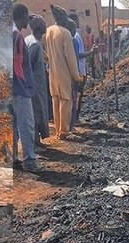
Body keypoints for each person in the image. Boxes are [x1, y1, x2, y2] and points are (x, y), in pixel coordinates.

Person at [45, 5, 83, 141]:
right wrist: (76, 76)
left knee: (55, 98)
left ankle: (57, 129)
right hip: (64, 72)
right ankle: (64, 131)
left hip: (52, 72)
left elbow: (46, 53)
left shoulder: (48, 31)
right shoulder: (65, 33)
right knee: (66, 100)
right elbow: (70, 58)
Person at [12, 3, 39, 172]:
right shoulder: (15, 34)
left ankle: (13, 159)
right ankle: (29, 161)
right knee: (27, 125)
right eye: (26, 17)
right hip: (19, 88)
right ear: (21, 16)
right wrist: (22, 83)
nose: (27, 21)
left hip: (14, 87)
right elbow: (14, 62)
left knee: (13, 125)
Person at [25, 14, 50, 148]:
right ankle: (34, 145)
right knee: (35, 113)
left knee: (38, 112)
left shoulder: (32, 41)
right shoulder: (34, 44)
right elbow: (27, 65)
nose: (46, 27)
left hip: (38, 84)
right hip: (34, 85)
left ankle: (38, 141)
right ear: (40, 28)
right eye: (44, 25)